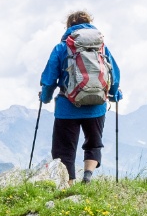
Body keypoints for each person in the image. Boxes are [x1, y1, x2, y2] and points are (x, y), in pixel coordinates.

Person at [39, 10, 121, 183]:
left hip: (67, 107)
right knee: (94, 143)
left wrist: (45, 98)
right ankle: (88, 175)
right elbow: (114, 74)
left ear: (69, 27)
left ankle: (69, 184)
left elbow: (49, 79)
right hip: (96, 106)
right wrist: (114, 94)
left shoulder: (62, 47)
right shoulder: (101, 47)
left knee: (63, 149)